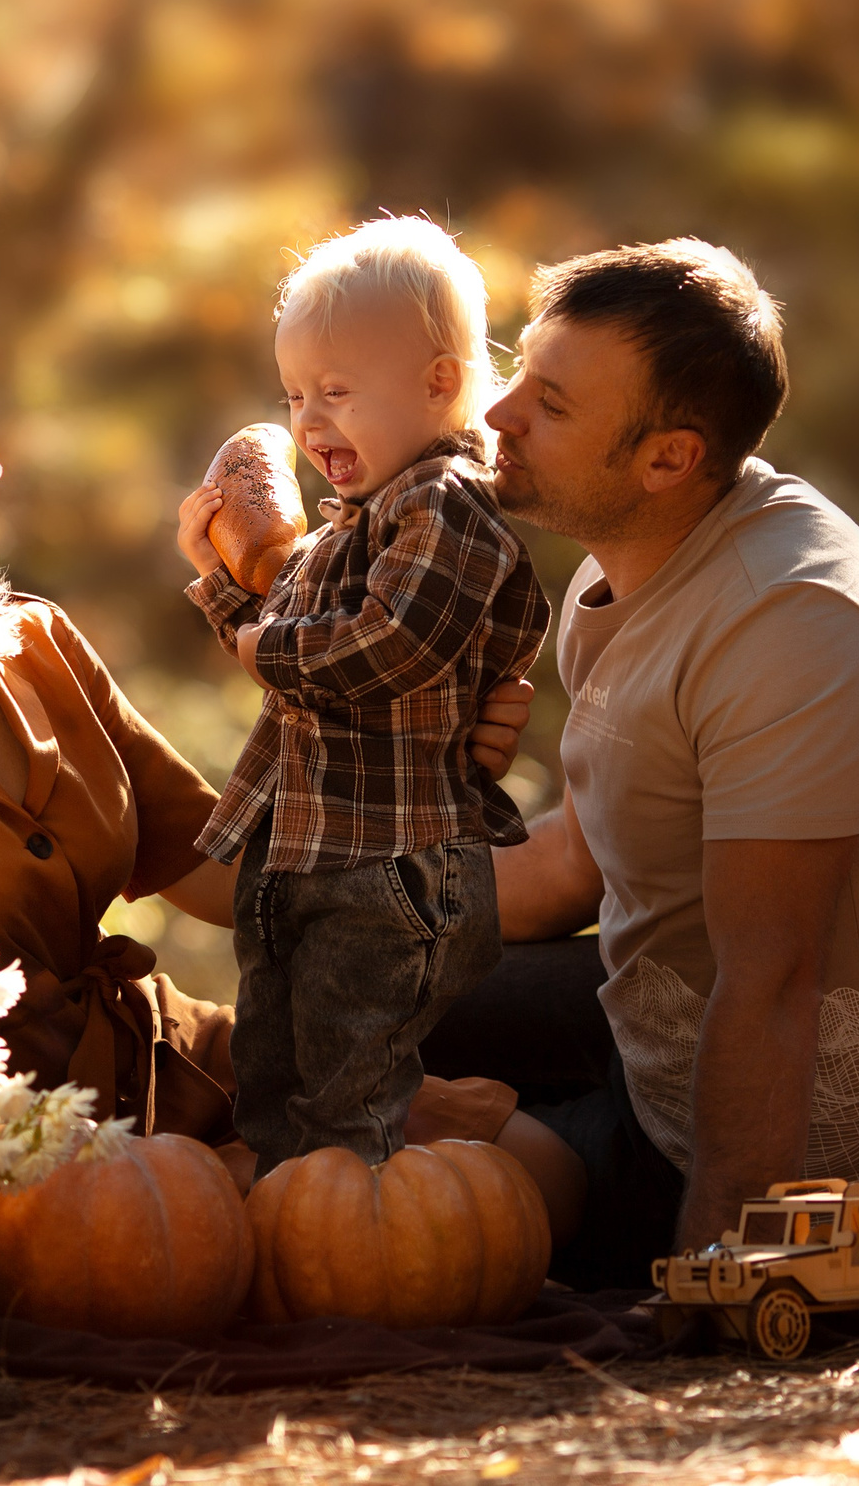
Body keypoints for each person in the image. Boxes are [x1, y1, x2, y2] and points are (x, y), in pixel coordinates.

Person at [0, 311, 572, 1210]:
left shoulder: (37, 646)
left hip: (162, 1059)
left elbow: (228, 871)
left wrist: (423, 757)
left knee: (537, 1166)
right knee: (301, 1219)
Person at [433, 239, 859, 1290]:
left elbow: (773, 978)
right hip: (663, 1008)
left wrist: (703, 1271)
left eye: (549, 407)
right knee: (356, 996)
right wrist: (342, 897)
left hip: (826, 1126)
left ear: (668, 458)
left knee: (425, 1158)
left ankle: (546, 1154)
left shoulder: (792, 628)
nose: (497, 414)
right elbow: (569, 864)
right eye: (520, 375)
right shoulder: (635, 563)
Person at [175, 219, 551, 1174]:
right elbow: (281, 628)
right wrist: (220, 583)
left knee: (349, 1081)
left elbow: (389, 646)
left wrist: (260, 641)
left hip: (389, 867)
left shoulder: (447, 505)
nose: (307, 423)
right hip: (300, 855)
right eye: (295, 394)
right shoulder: (346, 528)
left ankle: (355, 1249)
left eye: (336, 392)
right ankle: (294, 1226)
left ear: (438, 381)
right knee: (270, 1070)